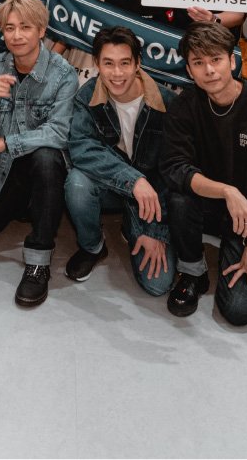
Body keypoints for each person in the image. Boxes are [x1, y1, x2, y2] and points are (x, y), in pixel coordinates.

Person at [161, 22, 247, 325]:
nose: (209, 70)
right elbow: (175, 168)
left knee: (238, 311)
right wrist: (226, 190)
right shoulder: (184, 106)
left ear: (232, 61)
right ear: (189, 70)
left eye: (216, 60)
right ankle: (192, 270)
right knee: (179, 197)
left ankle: (232, 250)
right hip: (207, 202)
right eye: (198, 63)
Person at [0, 0, 78, 306]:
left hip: (43, 165)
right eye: (9, 28)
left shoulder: (63, 73)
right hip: (5, 169)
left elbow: (59, 132)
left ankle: (39, 260)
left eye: (25, 27)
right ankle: (26, 204)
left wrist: (6, 143)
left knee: (46, 158)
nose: (17, 35)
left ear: (41, 30)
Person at [63, 26, 176, 296]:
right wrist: (133, 180)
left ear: (138, 63)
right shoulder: (86, 97)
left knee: (158, 285)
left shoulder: (167, 102)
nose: (117, 73)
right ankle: (92, 246)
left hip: (153, 199)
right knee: (76, 182)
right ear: (96, 64)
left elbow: (172, 172)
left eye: (125, 63)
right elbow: (81, 148)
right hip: (114, 187)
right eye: (108, 63)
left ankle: (133, 226)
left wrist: (155, 231)